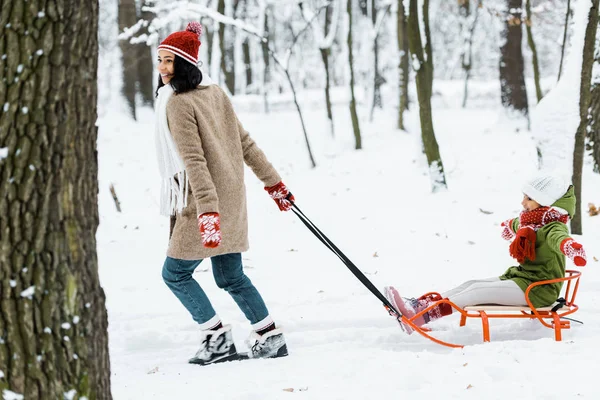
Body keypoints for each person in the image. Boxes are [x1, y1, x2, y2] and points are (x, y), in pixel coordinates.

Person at [154, 22, 293, 365]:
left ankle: (216, 339)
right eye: (159, 60)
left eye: (169, 61)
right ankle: (269, 335)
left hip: (204, 202)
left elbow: (195, 161)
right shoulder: (215, 93)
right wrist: (273, 183)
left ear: (186, 64)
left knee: (174, 274)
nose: (162, 68)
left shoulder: (178, 104)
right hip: (230, 196)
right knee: (230, 276)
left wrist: (207, 212)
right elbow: (244, 143)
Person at [384, 175, 587, 334]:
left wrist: (571, 247)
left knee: (475, 294)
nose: (523, 202)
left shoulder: (552, 226)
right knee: (471, 284)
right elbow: (516, 224)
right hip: (523, 279)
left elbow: (559, 238)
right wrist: (509, 226)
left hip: (539, 290)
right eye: (524, 196)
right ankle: (419, 306)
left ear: (544, 201)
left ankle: (419, 318)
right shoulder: (531, 222)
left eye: (529, 198)